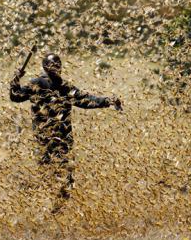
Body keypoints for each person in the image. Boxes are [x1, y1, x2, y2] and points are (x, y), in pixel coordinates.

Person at [9, 52, 122, 212]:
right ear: (45, 67)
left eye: (57, 64)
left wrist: (107, 101)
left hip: (63, 141)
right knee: (46, 176)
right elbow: (16, 96)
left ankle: (56, 212)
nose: (55, 67)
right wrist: (16, 79)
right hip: (44, 140)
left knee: (66, 181)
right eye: (51, 64)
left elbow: (86, 100)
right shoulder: (37, 84)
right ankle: (37, 203)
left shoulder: (65, 87)